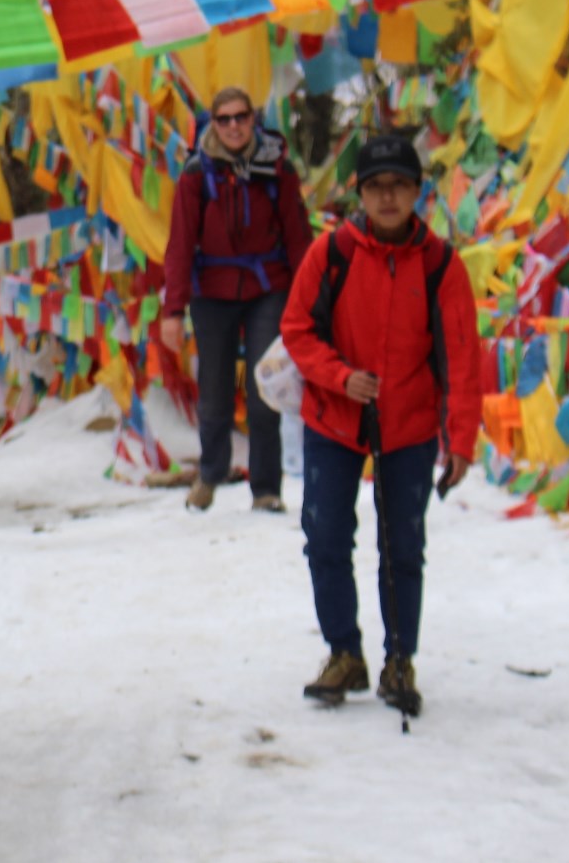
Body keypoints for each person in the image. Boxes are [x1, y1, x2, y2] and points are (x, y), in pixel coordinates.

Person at [278, 134, 482, 718]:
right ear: (360, 193)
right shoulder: (331, 253)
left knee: (402, 547)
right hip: (334, 419)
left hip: (410, 426)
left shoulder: (441, 264)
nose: (387, 196)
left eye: (398, 185)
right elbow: (297, 328)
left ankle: (400, 660)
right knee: (324, 538)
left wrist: (460, 438)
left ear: (418, 192)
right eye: (375, 186)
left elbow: (463, 355)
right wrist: (339, 377)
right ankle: (345, 651)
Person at [160, 87, 315, 513]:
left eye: (240, 117)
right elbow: (179, 244)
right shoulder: (196, 173)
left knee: (267, 384)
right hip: (211, 291)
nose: (233, 126)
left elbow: (298, 235)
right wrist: (172, 310)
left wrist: (313, 297)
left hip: (270, 286)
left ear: (253, 119)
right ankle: (210, 474)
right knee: (214, 389)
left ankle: (265, 488)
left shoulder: (277, 169)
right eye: (224, 119)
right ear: (213, 123)